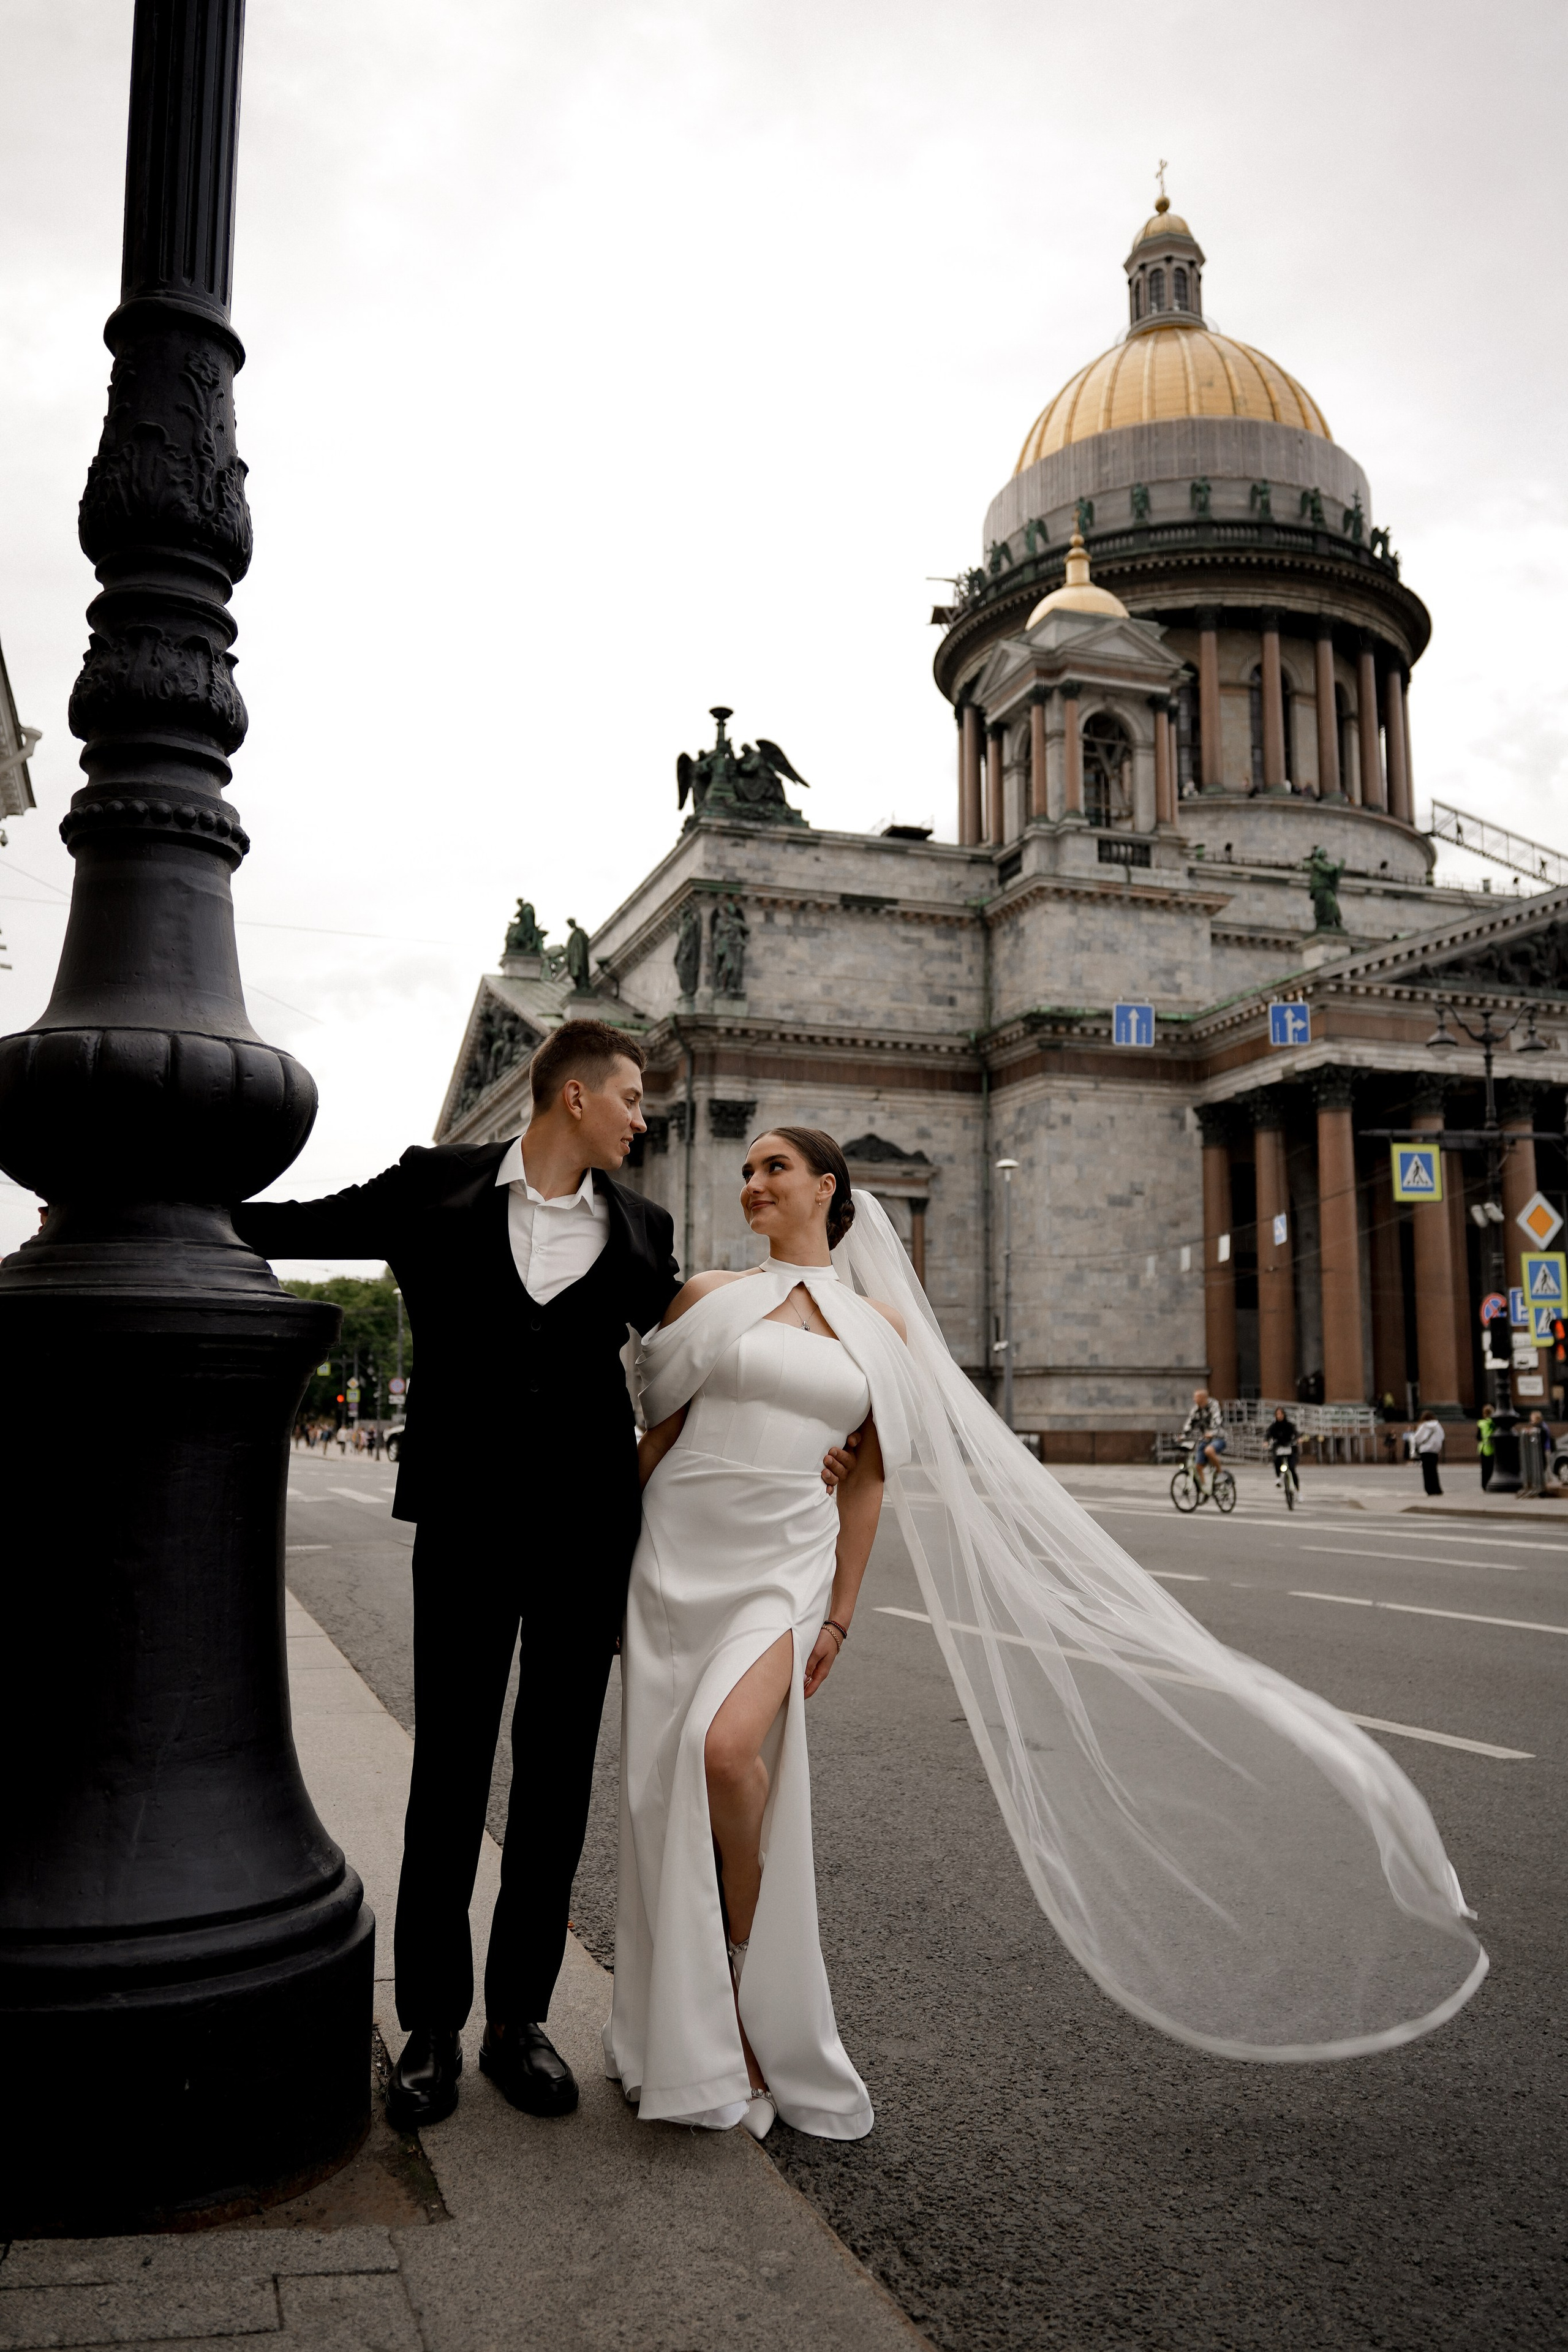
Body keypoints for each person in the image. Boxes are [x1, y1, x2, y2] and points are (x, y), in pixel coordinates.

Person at [606, 1128, 1486, 2139]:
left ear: (826, 1190)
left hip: (784, 1560)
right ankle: (689, 2025)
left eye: (774, 1169)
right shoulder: (707, 1294)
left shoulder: (880, 1325)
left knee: (727, 1757)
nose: (752, 1182)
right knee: (663, 1785)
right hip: (681, 1549)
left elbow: (874, 1474)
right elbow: (656, 1434)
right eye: (748, 1169)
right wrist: (591, 1571)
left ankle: (746, 1995)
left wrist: (842, 1610)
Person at [230, 1020, 845, 2133]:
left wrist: (823, 1434)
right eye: (630, 1099)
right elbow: (308, 1224)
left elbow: (707, 1365)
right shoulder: (435, 1188)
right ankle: (428, 2028)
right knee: (450, 1774)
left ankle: (519, 2023)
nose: (642, 1118)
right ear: (574, 1098)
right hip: (464, 1525)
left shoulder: (642, 1231)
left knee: (556, 1779)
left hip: (586, 1537)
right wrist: (162, 1210)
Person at [1180, 1387, 1226, 1490]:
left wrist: (1212, 1433)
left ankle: (1220, 1473)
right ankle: (1204, 1488)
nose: (1194, 1399)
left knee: (1209, 1451)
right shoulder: (1196, 1409)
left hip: (1218, 1438)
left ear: (1203, 1397)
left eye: (1196, 1397)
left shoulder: (1214, 1405)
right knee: (1198, 1466)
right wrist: (1184, 1436)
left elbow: (1217, 1420)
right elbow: (1190, 1422)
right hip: (1205, 1439)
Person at [1411, 1411, 1445, 1496]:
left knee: (1427, 1472)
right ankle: (1437, 1489)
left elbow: (1417, 1437)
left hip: (1425, 1451)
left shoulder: (1424, 1426)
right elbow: (1442, 1436)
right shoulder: (1438, 1426)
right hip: (1435, 1451)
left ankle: (1429, 1489)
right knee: (1434, 1470)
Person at [1269, 1403, 1300, 1491]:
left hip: (1289, 1448)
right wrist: (1266, 1442)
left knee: (1292, 1469)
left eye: (1280, 1414)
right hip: (1279, 1449)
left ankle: (1298, 1491)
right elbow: (1268, 1435)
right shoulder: (1274, 1427)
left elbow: (1296, 1433)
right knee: (1276, 1462)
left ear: (1284, 1415)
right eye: (1277, 1414)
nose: (1279, 1416)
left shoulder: (1289, 1425)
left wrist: (1298, 1439)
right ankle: (1279, 1477)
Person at [1476, 1405, 1496, 1491]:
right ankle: (1492, 1483)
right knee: (1492, 1468)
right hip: (1492, 1448)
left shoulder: (1481, 1423)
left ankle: (1484, 1485)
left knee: (1484, 1469)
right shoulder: (1494, 1423)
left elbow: (1478, 1437)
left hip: (1483, 1448)